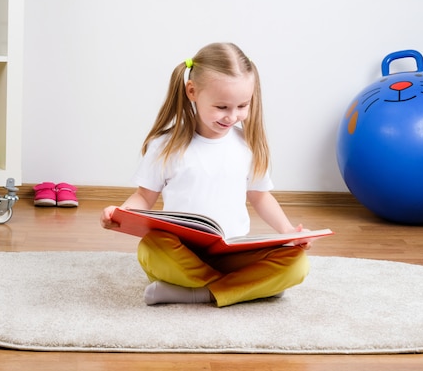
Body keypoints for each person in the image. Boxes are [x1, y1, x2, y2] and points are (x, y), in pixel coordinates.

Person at [101, 42, 312, 307]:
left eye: (242, 106)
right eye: (222, 107)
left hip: (234, 251)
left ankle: (200, 292)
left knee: (297, 265)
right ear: (193, 92)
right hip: (182, 252)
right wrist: (120, 215)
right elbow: (144, 197)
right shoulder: (166, 146)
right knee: (150, 249)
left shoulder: (247, 144)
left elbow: (260, 196)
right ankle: (248, 286)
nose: (232, 116)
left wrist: (288, 232)